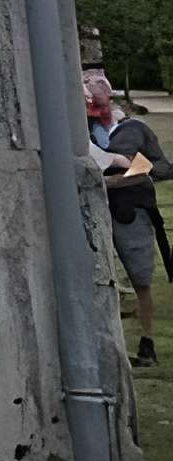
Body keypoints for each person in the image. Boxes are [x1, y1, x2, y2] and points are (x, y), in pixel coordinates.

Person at [86, 70, 165, 368]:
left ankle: (147, 343)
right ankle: (109, 348)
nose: (93, 100)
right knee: (100, 280)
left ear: (109, 95)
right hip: (93, 213)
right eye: (88, 95)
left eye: (97, 93)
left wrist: (127, 177)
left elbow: (162, 167)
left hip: (130, 213)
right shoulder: (82, 130)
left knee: (140, 278)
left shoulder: (134, 129)